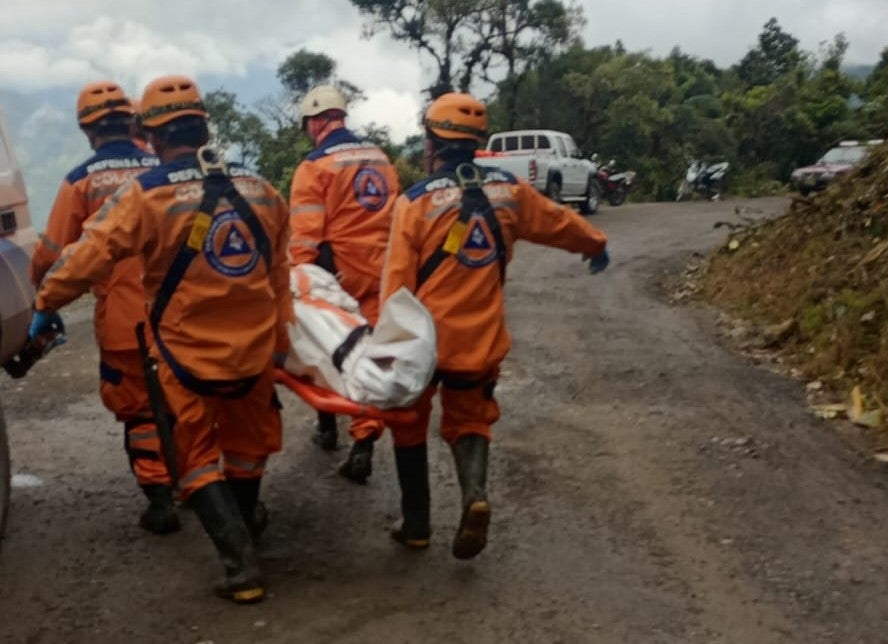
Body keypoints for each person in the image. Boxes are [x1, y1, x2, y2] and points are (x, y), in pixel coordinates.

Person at [30, 75, 293, 603]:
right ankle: (245, 526)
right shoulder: (262, 188)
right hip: (255, 348)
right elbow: (280, 272)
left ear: (149, 134)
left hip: (183, 351)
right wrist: (281, 343)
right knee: (245, 451)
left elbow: (84, 253)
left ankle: (240, 567)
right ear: (205, 126)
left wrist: (45, 303)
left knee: (191, 454)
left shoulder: (143, 196)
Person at [381, 92, 610, 560]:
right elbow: (558, 222)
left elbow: (396, 286)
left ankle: (418, 525)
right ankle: (474, 495)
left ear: (432, 142)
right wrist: (594, 243)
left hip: (424, 344)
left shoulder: (414, 203)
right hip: (479, 342)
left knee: (407, 423)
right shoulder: (510, 192)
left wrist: (385, 345)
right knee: (470, 420)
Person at [28, 80, 178, 534]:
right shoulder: (165, 171)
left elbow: (54, 253)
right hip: (179, 317)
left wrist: (43, 300)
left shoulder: (80, 181)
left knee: (138, 409)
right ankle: (201, 483)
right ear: (134, 123)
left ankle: (160, 498)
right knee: (183, 399)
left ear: (87, 130)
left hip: (123, 322)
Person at [288, 84, 400, 484]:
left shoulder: (314, 167)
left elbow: (304, 237)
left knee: (323, 349)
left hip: (339, 276)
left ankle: (328, 426)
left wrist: (302, 280)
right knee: (367, 355)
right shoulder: (380, 158)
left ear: (317, 122)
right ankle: (364, 440)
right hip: (384, 271)